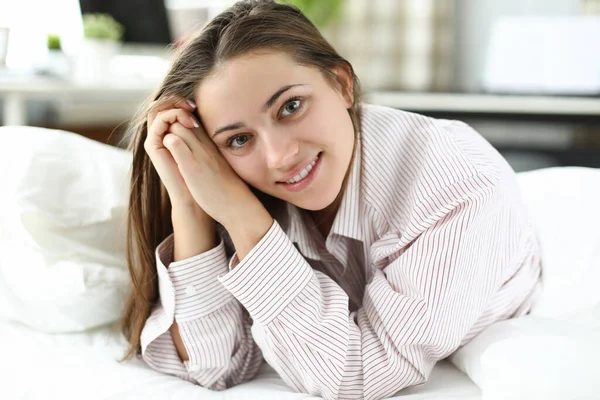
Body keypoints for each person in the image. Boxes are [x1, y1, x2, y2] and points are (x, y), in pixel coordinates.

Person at [120, 1, 542, 399]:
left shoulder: (457, 187)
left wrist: (244, 219)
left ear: (342, 84)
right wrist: (193, 205)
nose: (279, 157)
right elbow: (212, 366)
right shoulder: (237, 183)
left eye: (291, 106)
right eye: (240, 139)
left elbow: (358, 373)